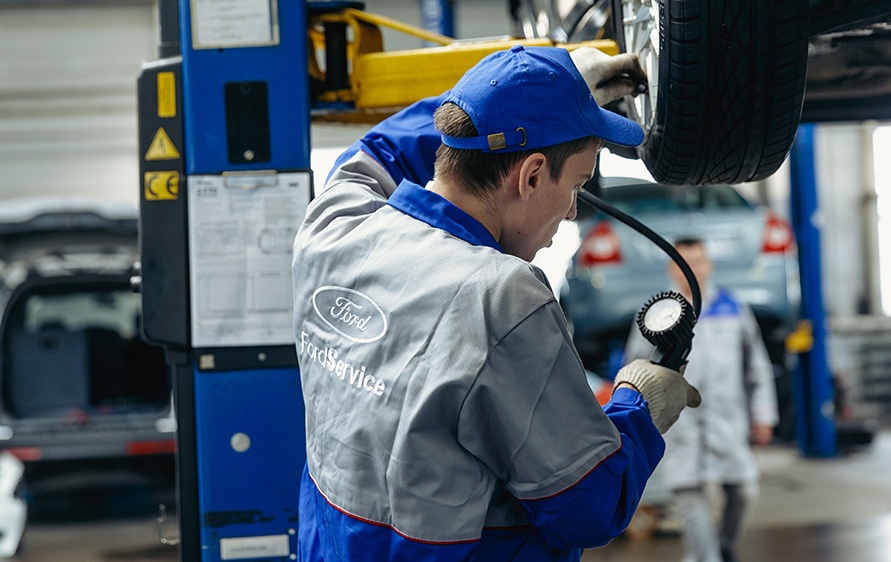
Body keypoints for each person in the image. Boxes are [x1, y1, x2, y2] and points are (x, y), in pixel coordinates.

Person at [292, 45, 702, 562]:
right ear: (531, 175)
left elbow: (381, 148)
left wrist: (517, 99)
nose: (573, 212)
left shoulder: (333, 225)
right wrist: (639, 406)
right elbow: (589, 505)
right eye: (576, 184)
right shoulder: (502, 298)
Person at [623, 238, 778, 562]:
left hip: (728, 423)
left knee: (744, 490)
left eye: (698, 262)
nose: (693, 270)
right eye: (685, 263)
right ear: (672, 268)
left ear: (710, 266)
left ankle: (722, 550)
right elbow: (635, 369)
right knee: (689, 498)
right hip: (681, 429)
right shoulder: (659, 313)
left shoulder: (733, 308)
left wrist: (763, 414)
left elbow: (757, 366)